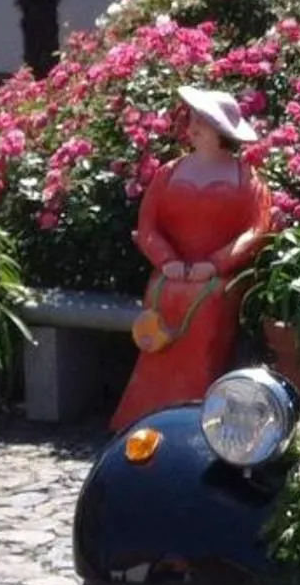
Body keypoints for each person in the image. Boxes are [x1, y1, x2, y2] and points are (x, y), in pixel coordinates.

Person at [109, 85, 275, 432]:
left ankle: (198, 411)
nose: (194, 125)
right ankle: (146, 412)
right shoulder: (169, 173)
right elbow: (148, 225)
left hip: (219, 280)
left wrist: (214, 263)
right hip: (171, 273)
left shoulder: (246, 179)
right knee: (165, 299)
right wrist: (167, 260)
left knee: (210, 305)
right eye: (194, 118)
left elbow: (256, 229)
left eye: (204, 120)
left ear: (222, 133)